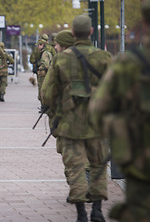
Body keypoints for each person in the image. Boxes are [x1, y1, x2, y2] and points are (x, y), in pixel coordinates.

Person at [89, 0, 150, 222]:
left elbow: (98, 113)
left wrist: (122, 131)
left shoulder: (128, 64)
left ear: (145, 22)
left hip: (143, 168)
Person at [42, 15, 111, 222]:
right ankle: (97, 211)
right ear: (90, 32)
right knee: (98, 166)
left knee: (75, 168)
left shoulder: (62, 59)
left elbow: (47, 94)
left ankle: (81, 214)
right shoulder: (105, 57)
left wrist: (57, 114)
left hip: (70, 124)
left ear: (73, 34)